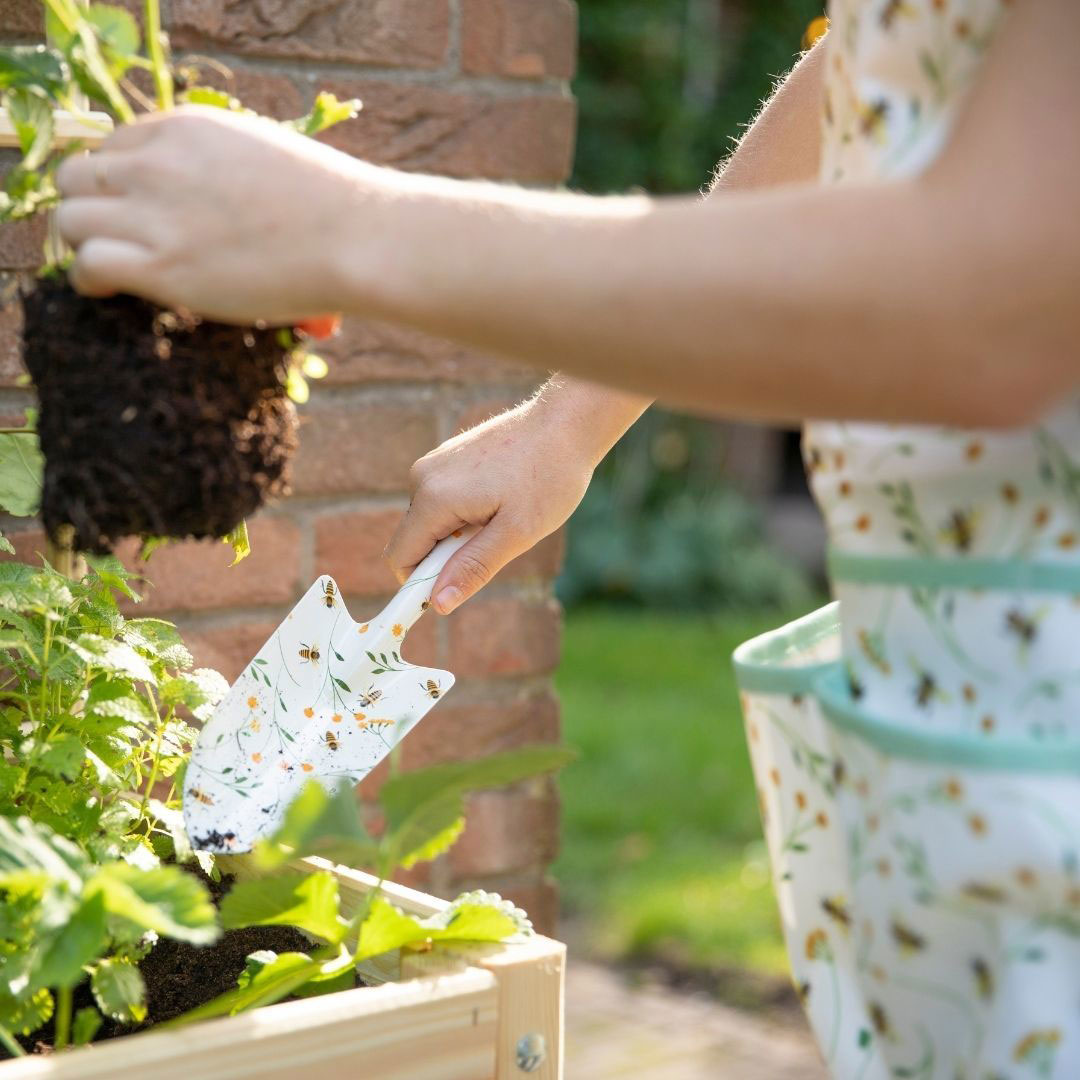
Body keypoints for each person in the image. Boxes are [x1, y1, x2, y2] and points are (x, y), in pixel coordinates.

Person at [55, 0, 1080, 1075]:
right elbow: (867, 81)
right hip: (942, 730)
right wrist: (568, 424)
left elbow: (1004, 301)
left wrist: (345, 228)